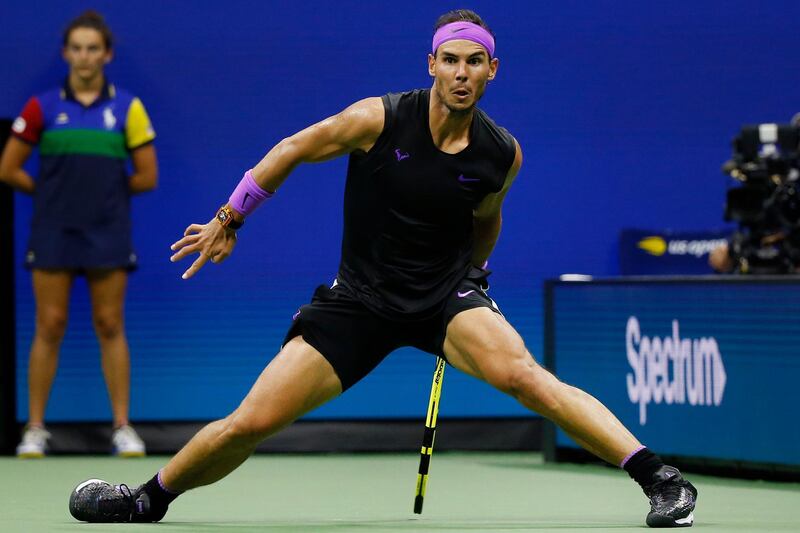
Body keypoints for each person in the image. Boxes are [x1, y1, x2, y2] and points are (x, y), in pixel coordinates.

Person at [67, 9, 696, 527]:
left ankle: (661, 480)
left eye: (474, 61)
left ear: (491, 71)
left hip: (445, 298)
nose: (461, 72)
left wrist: (475, 273)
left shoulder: (501, 152)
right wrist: (231, 217)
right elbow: (292, 149)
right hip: (358, 301)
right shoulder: (378, 119)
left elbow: (487, 214)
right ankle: (147, 499)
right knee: (250, 421)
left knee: (527, 378)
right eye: (450, 59)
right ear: (431, 65)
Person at [0, 11, 157, 457]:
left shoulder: (128, 108)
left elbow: (146, 176)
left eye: (93, 48)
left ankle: (123, 427)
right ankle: (34, 430)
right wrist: (52, 195)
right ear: (66, 53)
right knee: (49, 325)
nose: (85, 56)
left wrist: (103, 195)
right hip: (53, 231)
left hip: (108, 232)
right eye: (77, 48)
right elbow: (8, 168)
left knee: (110, 324)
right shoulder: (41, 108)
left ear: (106, 54)